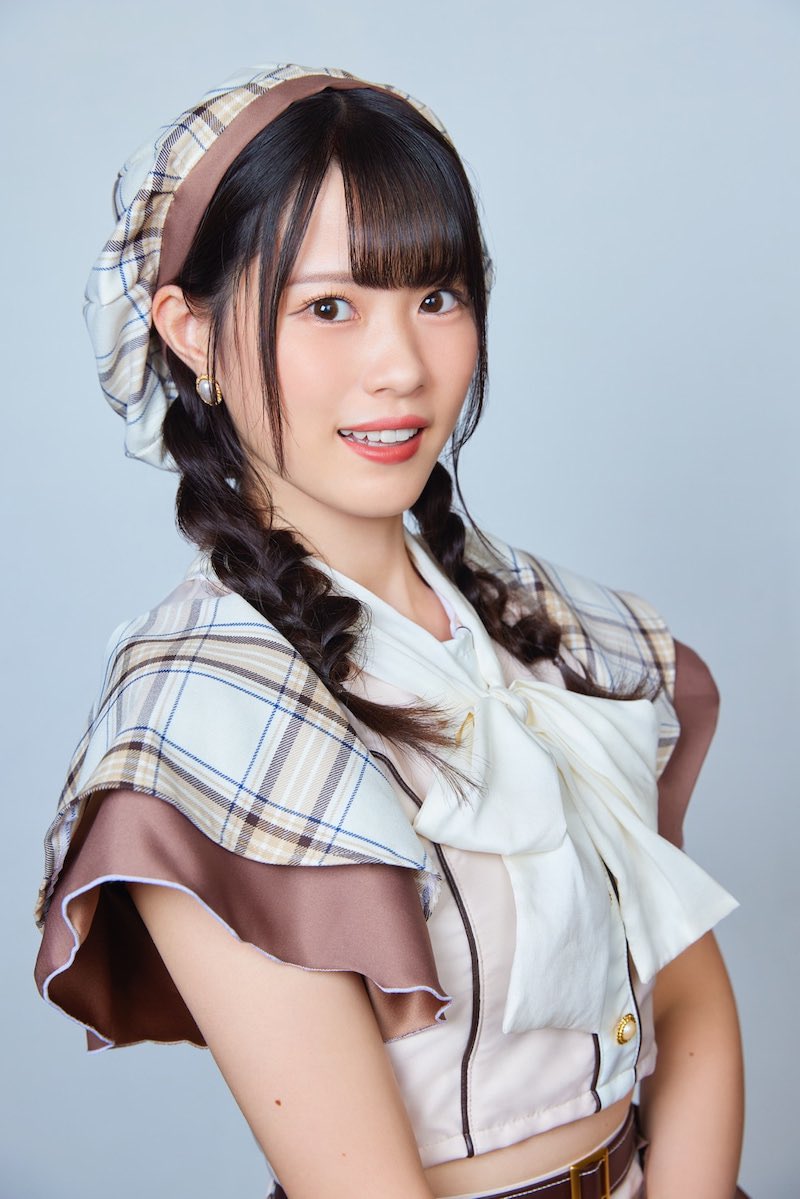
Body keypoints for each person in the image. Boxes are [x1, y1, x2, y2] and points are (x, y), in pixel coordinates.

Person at [34, 64, 747, 1198]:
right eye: (329, 307)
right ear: (191, 332)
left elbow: (691, 997)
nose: (402, 367)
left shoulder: (543, 623)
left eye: (437, 296)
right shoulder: (202, 717)